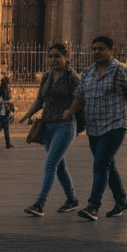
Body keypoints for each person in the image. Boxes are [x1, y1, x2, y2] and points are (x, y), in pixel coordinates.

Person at [62, 36, 127, 220]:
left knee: (100, 164)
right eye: (94, 49)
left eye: (100, 49)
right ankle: (122, 201)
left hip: (115, 126)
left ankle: (93, 206)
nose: (96, 52)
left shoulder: (121, 70)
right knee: (107, 164)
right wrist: (71, 110)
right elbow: (80, 96)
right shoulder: (87, 73)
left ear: (111, 50)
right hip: (94, 127)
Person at [20, 43, 81, 216]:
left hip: (65, 126)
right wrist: (26, 115)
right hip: (47, 126)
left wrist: (70, 111)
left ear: (65, 57)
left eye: (56, 56)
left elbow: (81, 97)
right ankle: (72, 199)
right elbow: (40, 100)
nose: (52, 60)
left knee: (50, 163)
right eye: (50, 56)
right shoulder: (47, 77)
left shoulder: (72, 77)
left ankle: (40, 203)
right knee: (59, 165)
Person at [0, 75, 13, 148]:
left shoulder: (1, 89)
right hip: (3, 111)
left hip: (2, 111)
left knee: (3, 127)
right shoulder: (6, 90)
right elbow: (8, 98)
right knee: (5, 128)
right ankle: (8, 144)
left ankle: (8, 144)